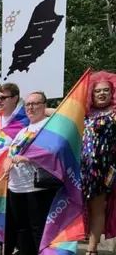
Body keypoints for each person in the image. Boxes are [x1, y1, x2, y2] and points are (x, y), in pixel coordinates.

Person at [3, 92, 57, 255]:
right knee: (22, 230)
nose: (30, 107)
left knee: (38, 229)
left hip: (36, 188)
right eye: (28, 104)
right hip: (16, 188)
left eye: (35, 103)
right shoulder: (23, 130)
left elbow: (52, 150)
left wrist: (27, 158)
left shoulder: (49, 126)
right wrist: (7, 163)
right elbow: (10, 154)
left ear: (44, 105)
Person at [81, 71, 116, 254]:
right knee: (76, 208)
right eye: (97, 91)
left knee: (97, 209)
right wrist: (36, 106)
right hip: (80, 169)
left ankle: (92, 250)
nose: (102, 94)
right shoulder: (84, 113)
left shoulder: (115, 114)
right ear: (91, 94)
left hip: (103, 170)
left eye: (106, 91)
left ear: (112, 94)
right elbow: (58, 112)